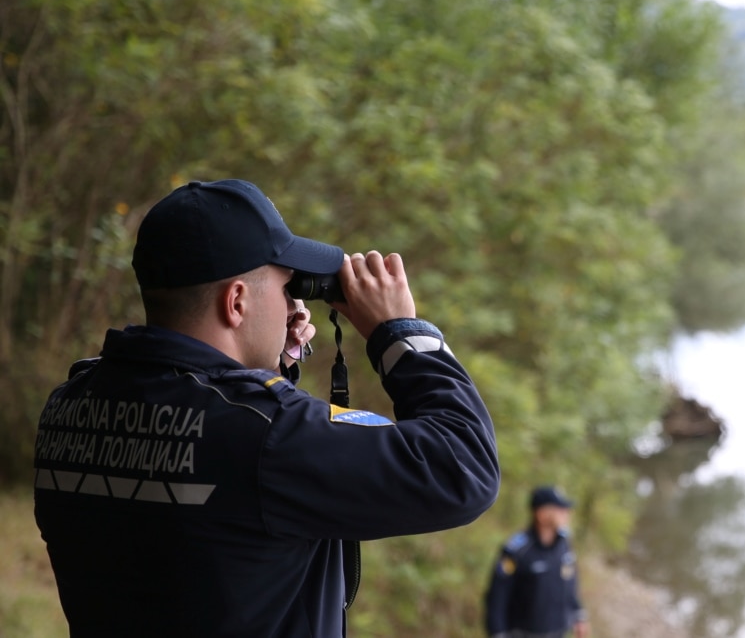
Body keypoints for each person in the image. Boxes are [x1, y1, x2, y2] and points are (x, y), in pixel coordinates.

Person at [32, 179, 501, 637]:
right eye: (285, 287)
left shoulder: (70, 405)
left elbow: (213, 466)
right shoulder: (265, 437)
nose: (294, 304)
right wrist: (400, 332)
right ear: (236, 302)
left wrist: (264, 367)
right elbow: (462, 466)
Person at [485, 486, 590, 638]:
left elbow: (570, 583)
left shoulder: (564, 544)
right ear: (541, 514)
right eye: (559, 510)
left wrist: (579, 615)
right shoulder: (517, 550)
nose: (566, 514)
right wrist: (497, 633)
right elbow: (497, 597)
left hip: (558, 632)